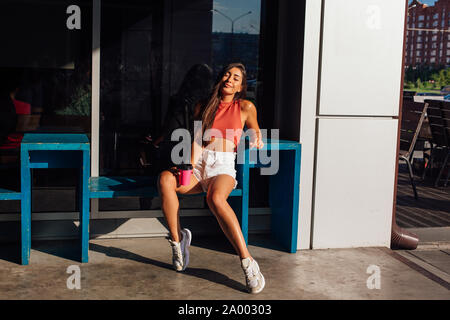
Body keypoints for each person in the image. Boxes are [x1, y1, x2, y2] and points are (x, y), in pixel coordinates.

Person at [157, 62, 265, 294]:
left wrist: (256, 138)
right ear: (220, 79)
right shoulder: (203, 106)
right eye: (227, 74)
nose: (230, 79)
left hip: (223, 166)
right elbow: (197, 139)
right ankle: (178, 243)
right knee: (166, 179)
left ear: (240, 87)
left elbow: (255, 128)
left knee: (216, 199)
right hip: (200, 163)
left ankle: (247, 262)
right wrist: (189, 166)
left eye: (236, 78)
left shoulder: (245, 106)